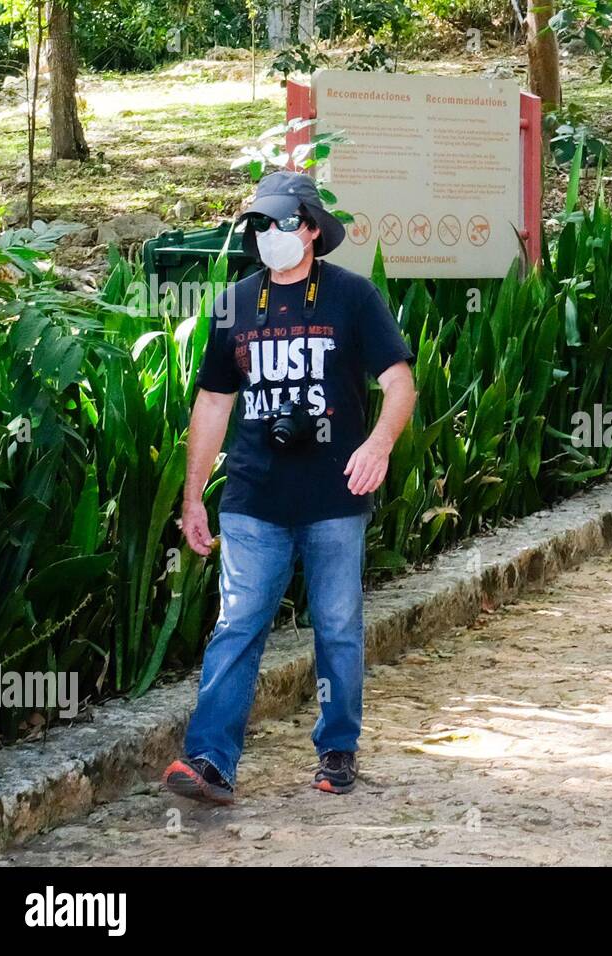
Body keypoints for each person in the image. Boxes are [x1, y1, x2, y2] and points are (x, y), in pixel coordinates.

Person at [163, 171, 417, 803]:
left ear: (308, 227)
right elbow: (213, 403)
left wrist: (378, 445)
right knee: (238, 621)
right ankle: (210, 760)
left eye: (280, 222)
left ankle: (337, 748)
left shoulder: (353, 297)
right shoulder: (234, 303)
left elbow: (399, 384)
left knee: (336, 622)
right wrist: (194, 495)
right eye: (259, 224)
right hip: (253, 496)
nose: (268, 234)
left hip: (334, 493)